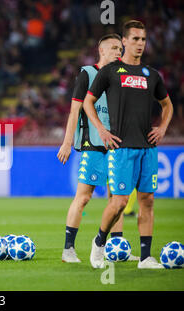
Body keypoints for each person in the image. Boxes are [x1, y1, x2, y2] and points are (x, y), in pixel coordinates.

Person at [83, 20, 174, 269]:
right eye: (135, 39)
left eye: (143, 40)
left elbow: (167, 105)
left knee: (147, 200)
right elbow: (87, 102)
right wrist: (101, 130)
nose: (140, 44)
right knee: (119, 202)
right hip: (121, 148)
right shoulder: (110, 72)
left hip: (148, 148)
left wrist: (163, 128)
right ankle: (99, 243)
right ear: (124, 42)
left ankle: (145, 258)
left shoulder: (151, 75)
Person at [57, 34, 139, 263]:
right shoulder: (88, 73)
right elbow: (75, 111)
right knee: (83, 197)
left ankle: (117, 249)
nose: (118, 52)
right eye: (113, 48)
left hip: (117, 145)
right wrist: (66, 142)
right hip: (93, 145)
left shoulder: (122, 77)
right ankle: (68, 250)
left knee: (117, 196)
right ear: (101, 51)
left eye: (120, 49)